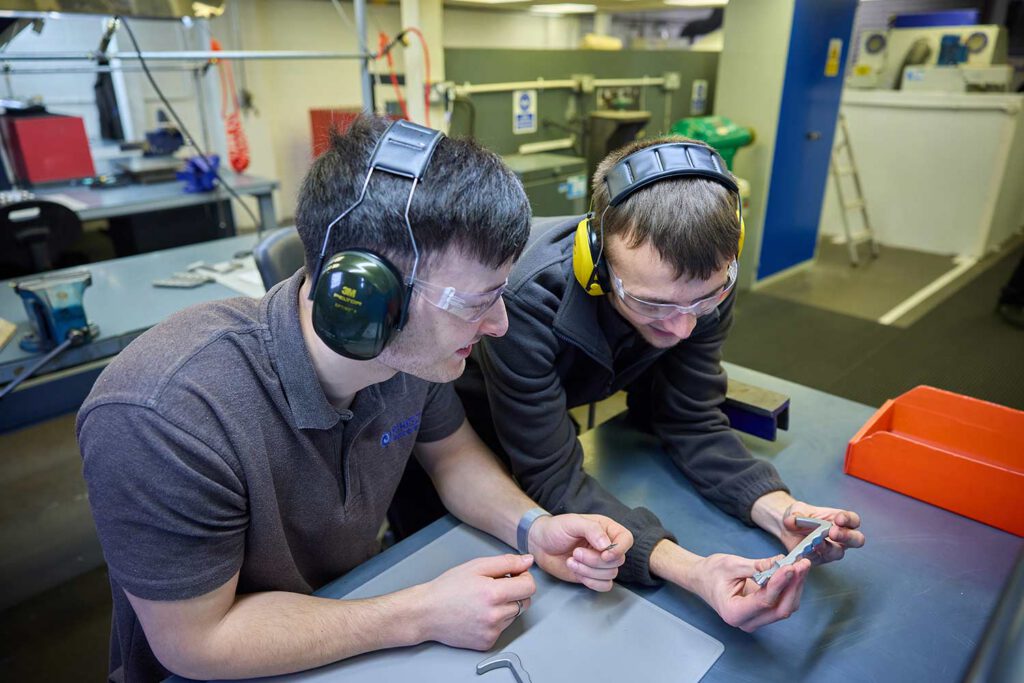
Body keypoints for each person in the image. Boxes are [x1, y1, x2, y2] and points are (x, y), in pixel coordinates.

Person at [76, 117, 633, 682]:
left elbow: (454, 458)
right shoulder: (163, 413)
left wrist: (533, 528)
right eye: (476, 301)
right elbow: (198, 642)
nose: (499, 324)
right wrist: (421, 614)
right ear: (363, 296)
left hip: (358, 614)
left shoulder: (407, 355)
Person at [445, 136, 866, 632]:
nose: (682, 328)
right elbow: (552, 476)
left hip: (553, 414)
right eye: (653, 304)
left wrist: (778, 510)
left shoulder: (696, 285)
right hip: (457, 428)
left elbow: (690, 417)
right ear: (594, 261)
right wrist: (693, 570)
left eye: (705, 300)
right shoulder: (524, 301)